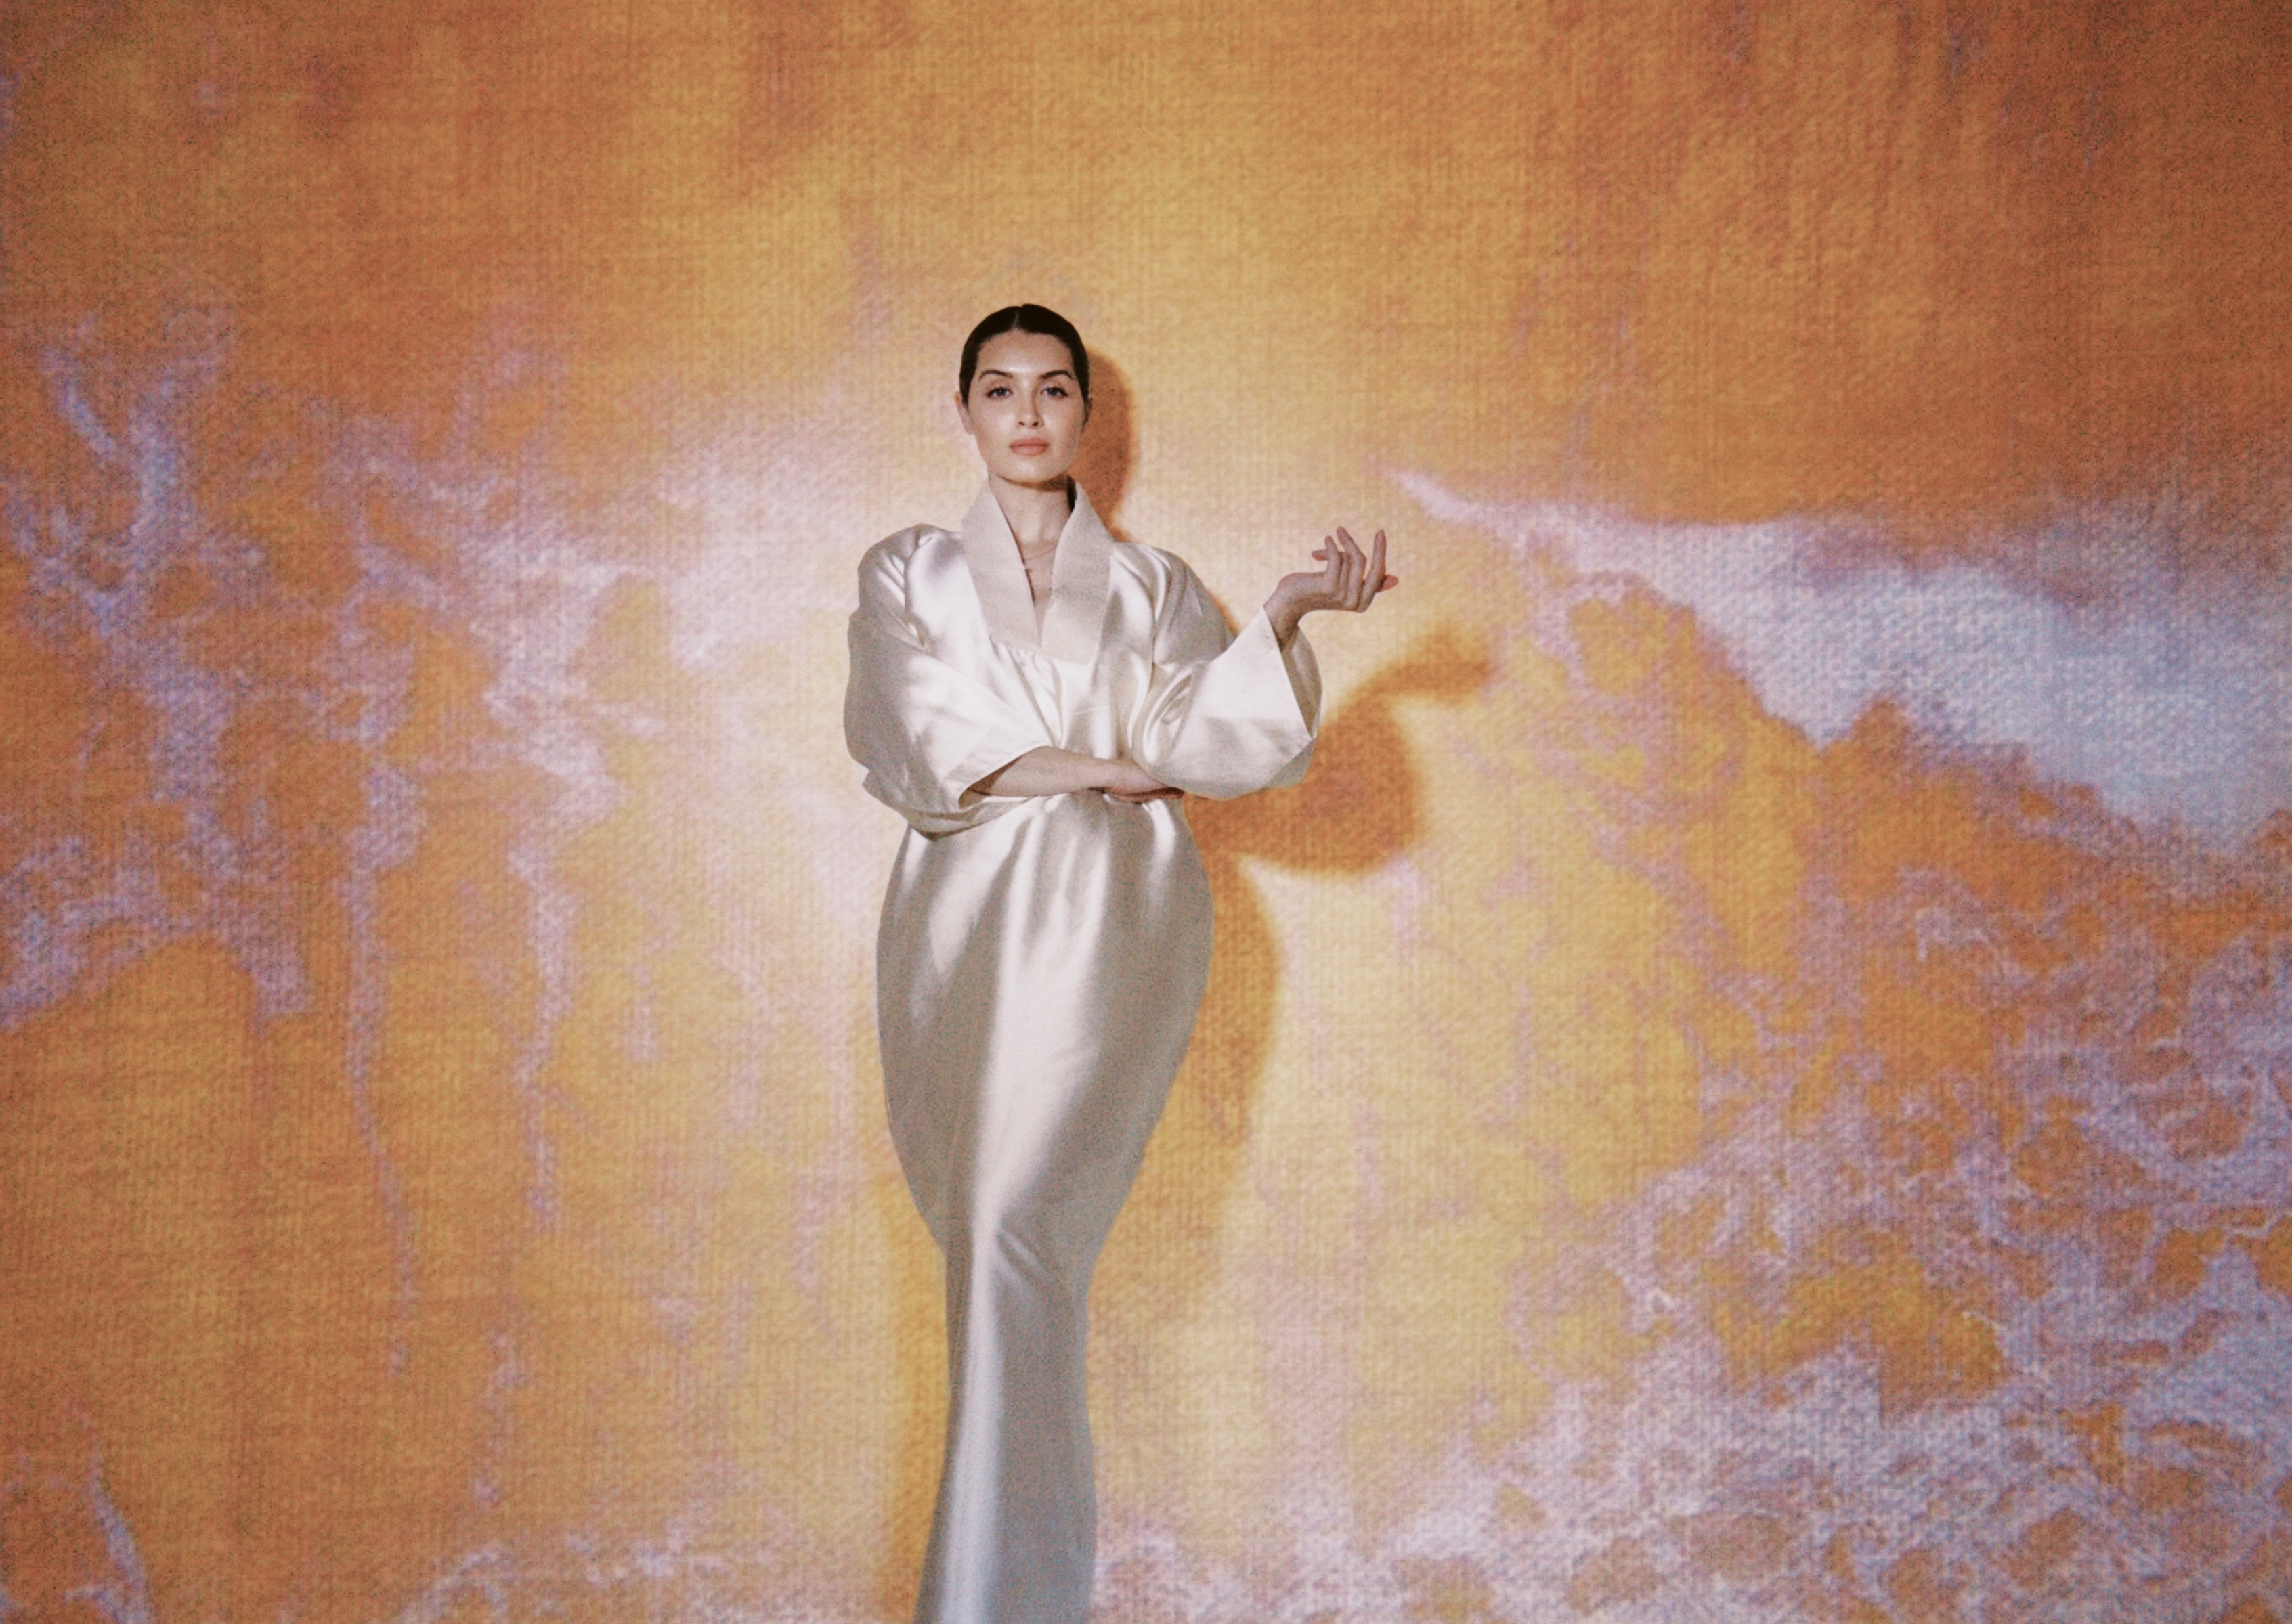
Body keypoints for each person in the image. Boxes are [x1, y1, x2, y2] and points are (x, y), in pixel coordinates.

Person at [843, 304, 1395, 1624]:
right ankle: (1020, 1595)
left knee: (1011, 1233)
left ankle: (983, 1604)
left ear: (1087, 414)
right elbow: (914, 733)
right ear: (964, 413)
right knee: (997, 1245)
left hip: (1106, 926)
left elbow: (1203, 740)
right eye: (998, 390)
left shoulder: (1152, 587)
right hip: (960, 930)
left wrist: (1284, 614)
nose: (1027, 414)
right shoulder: (908, 570)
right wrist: (1101, 763)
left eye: (1052, 389)